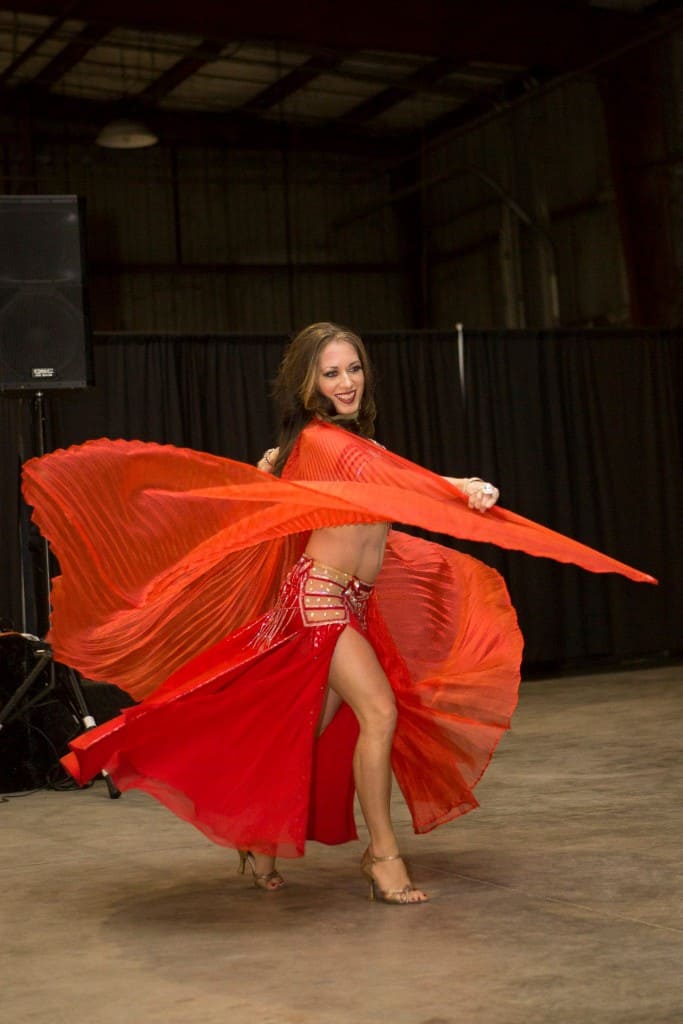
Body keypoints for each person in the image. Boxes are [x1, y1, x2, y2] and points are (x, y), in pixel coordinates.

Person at [22, 322, 654, 906]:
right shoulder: (325, 443)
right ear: (308, 385)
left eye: (354, 369)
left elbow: (394, 477)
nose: (347, 382)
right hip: (321, 600)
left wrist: (453, 488)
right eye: (331, 373)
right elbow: (402, 481)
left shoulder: (354, 446)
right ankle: (382, 856)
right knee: (379, 710)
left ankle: (258, 836)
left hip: (352, 603)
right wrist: (458, 488)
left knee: (305, 729)